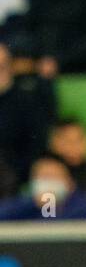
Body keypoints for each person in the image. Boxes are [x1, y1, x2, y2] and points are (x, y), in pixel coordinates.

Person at [0, 42, 53, 181]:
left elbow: (36, 147)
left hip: (12, 175)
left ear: (10, 67)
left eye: (0, 67)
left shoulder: (28, 102)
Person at [0, 156, 86, 220]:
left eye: (53, 176)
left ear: (70, 182)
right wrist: (33, 204)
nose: (48, 182)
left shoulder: (83, 205)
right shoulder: (23, 204)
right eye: (43, 177)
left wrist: (51, 206)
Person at [46, 118, 86, 193]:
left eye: (79, 139)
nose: (74, 146)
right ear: (53, 143)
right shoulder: (44, 173)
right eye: (68, 141)